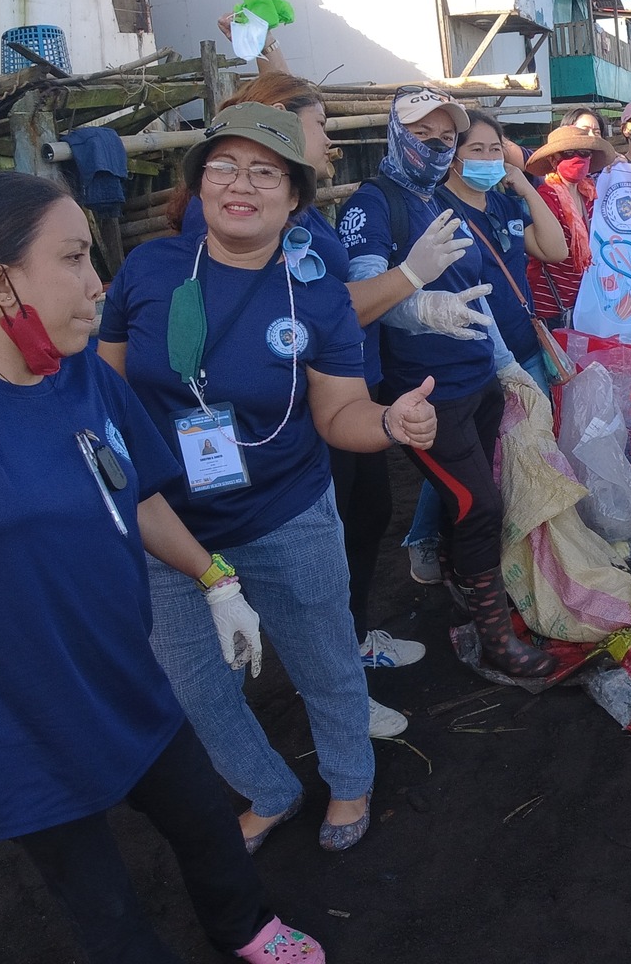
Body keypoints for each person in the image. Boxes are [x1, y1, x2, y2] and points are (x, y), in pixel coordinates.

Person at [0, 172, 326, 961]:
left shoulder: (84, 375)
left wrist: (215, 579)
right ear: (1, 282)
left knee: (203, 819)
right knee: (103, 905)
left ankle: (246, 927)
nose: (99, 285)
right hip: (15, 716)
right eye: (74, 260)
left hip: (126, 676)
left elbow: (138, 498)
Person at [103, 104, 438, 855]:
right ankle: (269, 789)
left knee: (322, 657)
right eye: (223, 166)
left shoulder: (315, 294)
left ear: (294, 196)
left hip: (286, 512)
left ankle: (351, 780)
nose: (240, 184)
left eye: (265, 171)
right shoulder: (151, 270)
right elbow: (107, 391)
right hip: (168, 526)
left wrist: (388, 423)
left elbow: (340, 412)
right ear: (198, 186)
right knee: (195, 685)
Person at [176, 73, 477, 669]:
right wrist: (411, 280)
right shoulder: (235, 223)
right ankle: (329, 666)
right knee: (319, 541)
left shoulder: (299, 208)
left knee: (367, 516)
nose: (328, 138)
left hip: (348, 385)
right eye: (317, 123)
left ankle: (352, 642)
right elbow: (315, 311)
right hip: (298, 402)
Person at [340, 90, 558, 682]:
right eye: (423, 135)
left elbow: (479, 296)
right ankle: (495, 637)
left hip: (477, 378)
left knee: (483, 498)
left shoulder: (442, 199)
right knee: (477, 503)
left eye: (445, 139)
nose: (435, 148)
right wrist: (416, 303)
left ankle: (472, 582)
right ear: (393, 132)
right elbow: (359, 297)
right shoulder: (374, 204)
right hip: (424, 395)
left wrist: (506, 363)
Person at [397, 111, 572, 585]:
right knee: (468, 458)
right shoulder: (437, 213)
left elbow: (555, 250)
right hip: (472, 357)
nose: (489, 158)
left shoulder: (502, 205)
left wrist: (525, 186)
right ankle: (426, 539)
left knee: (514, 451)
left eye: (496, 149)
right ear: (451, 157)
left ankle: (508, 545)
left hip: (523, 349)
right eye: (476, 150)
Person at [521, 122, 619, 326]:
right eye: (568, 153)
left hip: (588, 299)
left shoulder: (590, 194)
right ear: (553, 159)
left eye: (584, 152)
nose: (578, 158)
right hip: (552, 306)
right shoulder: (545, 198)